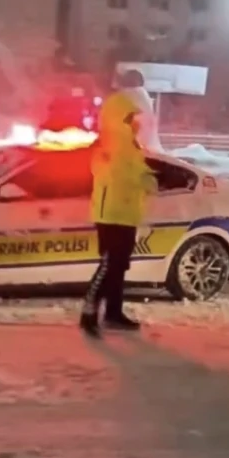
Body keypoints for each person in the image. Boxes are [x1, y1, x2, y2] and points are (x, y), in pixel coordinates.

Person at [79, 89, 157, 338]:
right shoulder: (108, 145)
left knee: (119, 266)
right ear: (117, 118)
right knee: (108, 266)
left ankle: (113, 313)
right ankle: (89, 314)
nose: (135, 122)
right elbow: (119, 174)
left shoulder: (129, 145)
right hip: (111, 215)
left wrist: (148, 177)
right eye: (130, 117)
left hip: (126, 213)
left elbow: (135, 170)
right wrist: (145, 179)